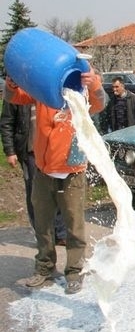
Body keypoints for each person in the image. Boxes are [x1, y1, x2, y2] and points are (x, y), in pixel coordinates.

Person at [4, 67, 105, 294]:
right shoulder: (43, 93)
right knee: (43, 224)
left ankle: (74, 271)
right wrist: (11, 83)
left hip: (73, 173)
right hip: (43, 172)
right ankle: (44, 267)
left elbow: (100, 103)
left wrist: (94, 83)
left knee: (74, 225)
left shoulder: (80, 96)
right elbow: (14, 97)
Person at [0, 97, 67, 244]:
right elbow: (7, 123)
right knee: (35, 195)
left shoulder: (49, 89)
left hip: (55, 151)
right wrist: (10, 151)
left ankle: (60, 233)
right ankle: (42, 235)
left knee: (60, 190)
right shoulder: (17, 92)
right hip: (30, 153)